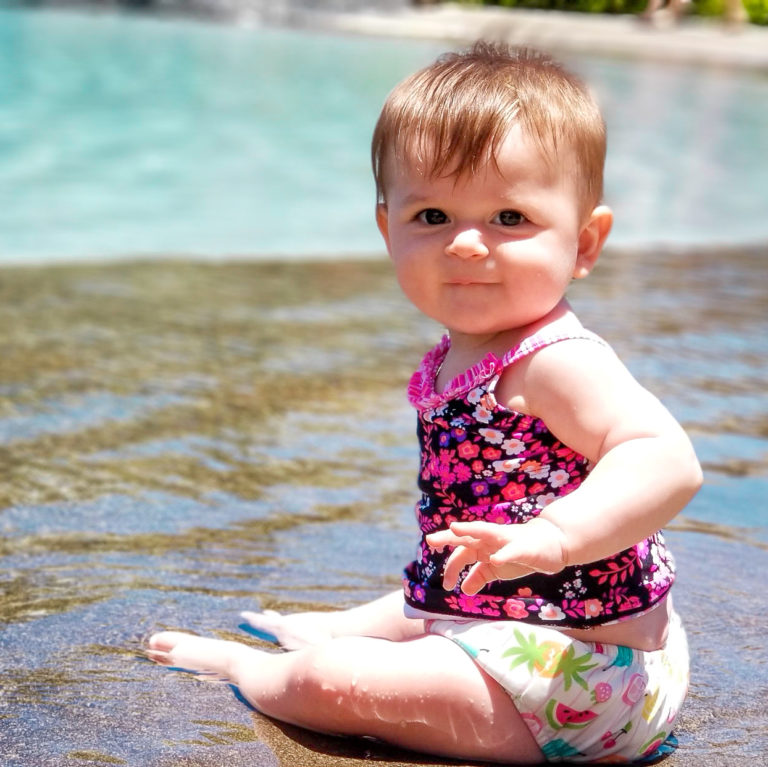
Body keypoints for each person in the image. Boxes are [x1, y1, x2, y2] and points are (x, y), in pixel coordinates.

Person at [147, 42, 702, 764]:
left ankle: (259, 670)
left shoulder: (558, 361)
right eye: (434, 214)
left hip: (586, 684)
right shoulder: (470, 354)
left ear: (586, 241)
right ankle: (342, 625)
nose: (467, 245)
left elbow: (666, 458)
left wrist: (557, 536)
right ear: (389, 230)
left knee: (333, 680)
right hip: (530, 636)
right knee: (422, 592)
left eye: (509, 218)